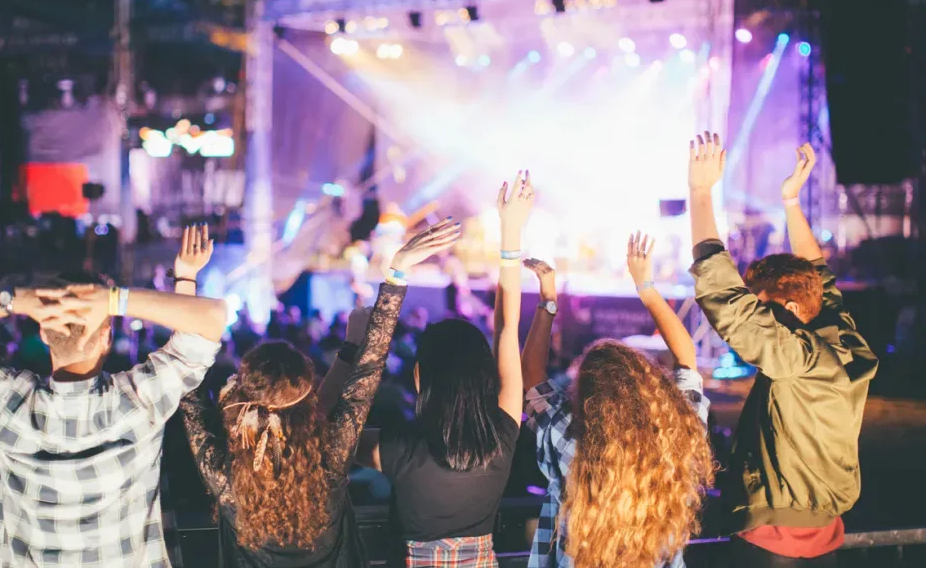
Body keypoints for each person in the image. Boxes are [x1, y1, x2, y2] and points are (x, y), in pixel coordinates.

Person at [0, 223, 227, 567]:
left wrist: (17, 300)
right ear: (107, 339)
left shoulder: (9, 404)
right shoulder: (138, 403)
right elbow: (210, 320)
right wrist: (123, 296)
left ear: (44, 334)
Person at [179, 219, 461, 567]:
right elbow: (367, 373)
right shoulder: (330, 455)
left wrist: (186, 279)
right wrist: (397, 273)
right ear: (308, 399)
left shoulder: (225, 475)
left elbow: (186, 382)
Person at [687, 136, 878, 567]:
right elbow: (821, 279)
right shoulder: (842, 339)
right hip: (824, 535)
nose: (759, 315)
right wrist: (791, 201)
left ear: (789, 309)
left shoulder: (799, 357)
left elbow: (726, 299)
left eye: (764, 307)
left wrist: (700, 194)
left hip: (775, 543)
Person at [356, 173, 534, 567]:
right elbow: (506, 330)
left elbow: (339, 422)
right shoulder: (502, 435)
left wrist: (397, 271)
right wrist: (512, 233)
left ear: (420, 377)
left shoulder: (397, 449)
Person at [521, 233, 714, 568]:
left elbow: (532, 376)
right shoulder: (677, 433)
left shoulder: (569, 438)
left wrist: (548, 298)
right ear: (646, 382)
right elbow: (687, 359)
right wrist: (647, 288)